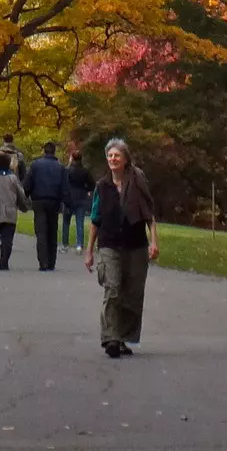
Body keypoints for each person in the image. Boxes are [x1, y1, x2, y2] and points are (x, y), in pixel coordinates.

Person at [84, 137, 157, 357]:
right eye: (110, 155)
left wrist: (154, 242)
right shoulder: (102, 186)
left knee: (132, 295)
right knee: (113, 289)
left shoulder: (137, 182)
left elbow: (149, 215)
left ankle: (123, 337)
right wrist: (89, 250)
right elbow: (96, 219)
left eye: (117, 155)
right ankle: (110, 338)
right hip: (109, 243)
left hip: (135, 244)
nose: (113, 158)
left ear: (125, 159)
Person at [23, 140, 68, 271]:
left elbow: (28, 183)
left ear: (44, 151)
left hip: (38, 201)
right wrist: (66, 201)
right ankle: (51, 261)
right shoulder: (60, 167)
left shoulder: (35, 165)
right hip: (54, 201)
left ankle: (43, 262)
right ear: (54, 151)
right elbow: (65, 187)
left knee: (41, 231)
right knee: (52, 231)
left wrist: (25, 195)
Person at [60, 146, 93, 253]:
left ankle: (65, 245)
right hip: (81, 197)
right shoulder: (85, 171)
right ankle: (79, 245)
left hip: (69, 197)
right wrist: (86, 189)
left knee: (66, 222)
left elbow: (63, 183)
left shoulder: (67, 170)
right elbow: (92, 184)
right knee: (80, 222)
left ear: (72, 158)